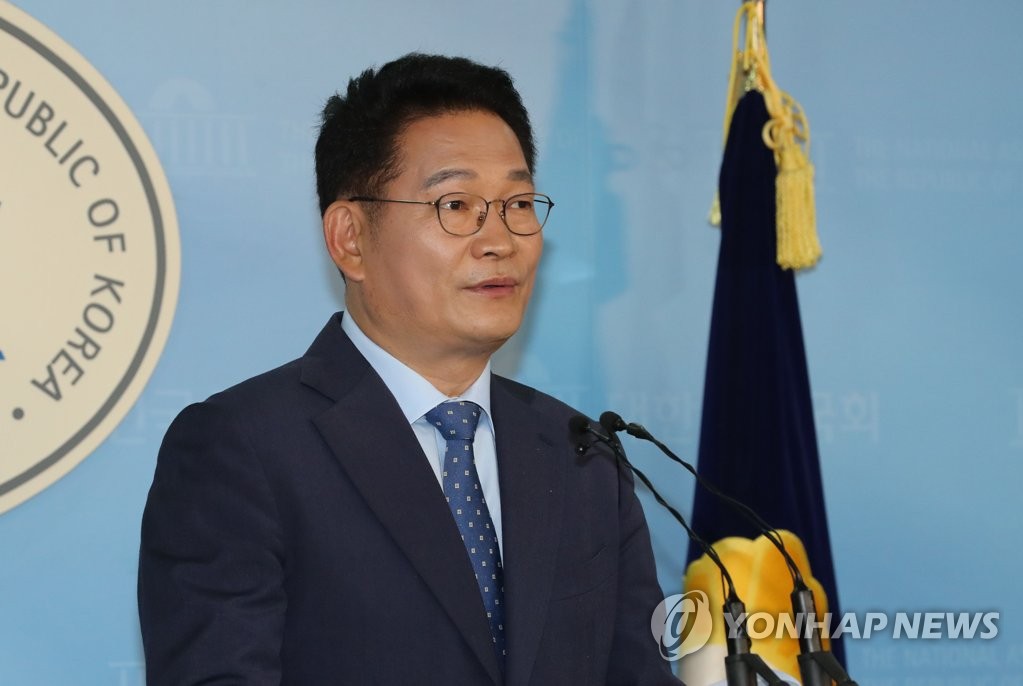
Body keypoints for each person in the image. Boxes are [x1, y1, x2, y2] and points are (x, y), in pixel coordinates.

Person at [138, 53, 677, 685]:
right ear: (350, 239)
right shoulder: (243, 450)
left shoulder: (581, 454)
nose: (499, 239)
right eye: (456, 204)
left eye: (518, 202)